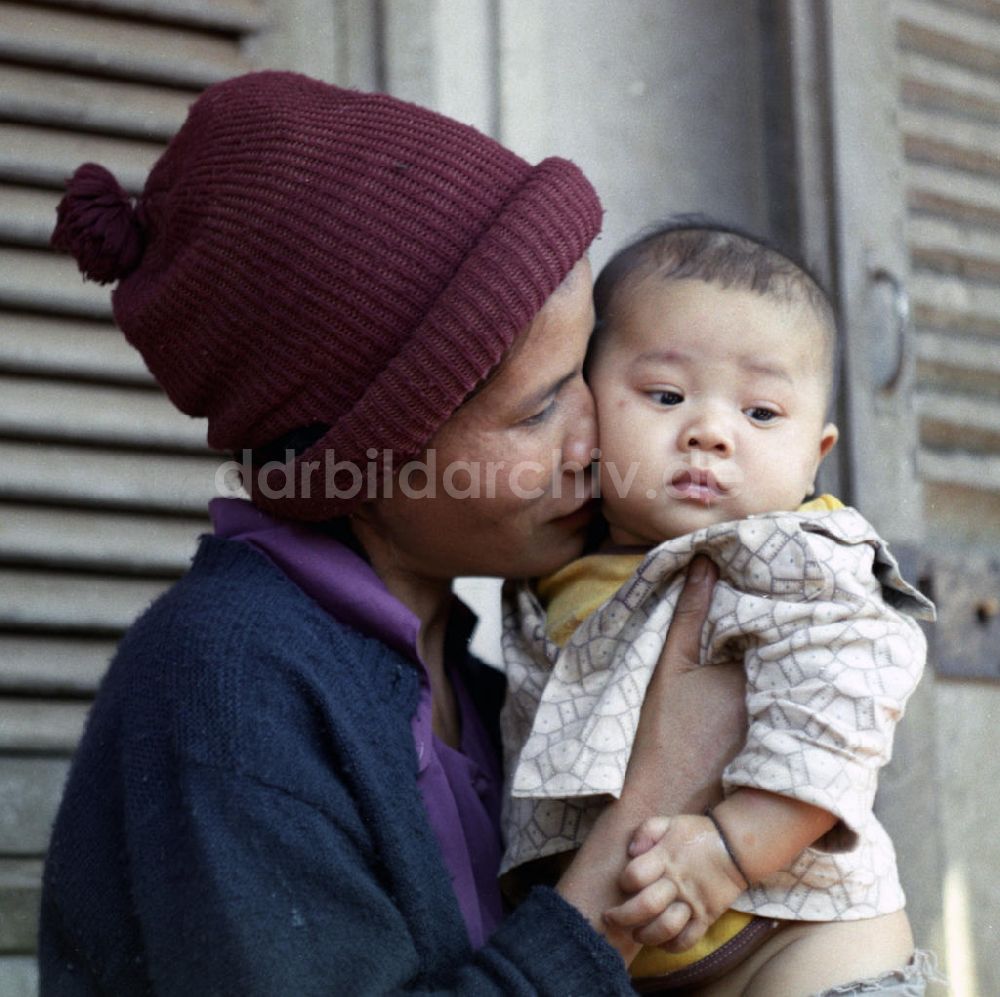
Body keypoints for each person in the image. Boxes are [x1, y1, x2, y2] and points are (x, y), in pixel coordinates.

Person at [39, 73, 747, 995]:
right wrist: (642, 830)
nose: (597, 438)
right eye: (538, 412)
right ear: (361, 460)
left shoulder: (479, 681)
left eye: (587, 371)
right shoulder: (225, 690)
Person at [500, 222, 942, 995]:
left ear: (817, 452)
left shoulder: (795, 558)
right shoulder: (552, 564)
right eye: (665, 396)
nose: (709, 432)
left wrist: (731, 847)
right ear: (587, 406)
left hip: (803, 939)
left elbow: (836, 712)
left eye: (762, 414)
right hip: (645, 961)